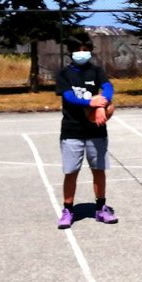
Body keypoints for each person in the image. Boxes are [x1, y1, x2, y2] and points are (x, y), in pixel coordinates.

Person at [56, 35, 117, 228]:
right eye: (78, 50)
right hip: (72, 130)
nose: (82, 53)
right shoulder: (64, 74)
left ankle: (101, 208)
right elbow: (68, 97)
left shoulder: (96, 71)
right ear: (71, 52)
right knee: (71, 172)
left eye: (85, 49)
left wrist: (101, 105)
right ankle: (68, 210)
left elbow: (108, 88)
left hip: (96, 131)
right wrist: (90, 102)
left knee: (98, 170)